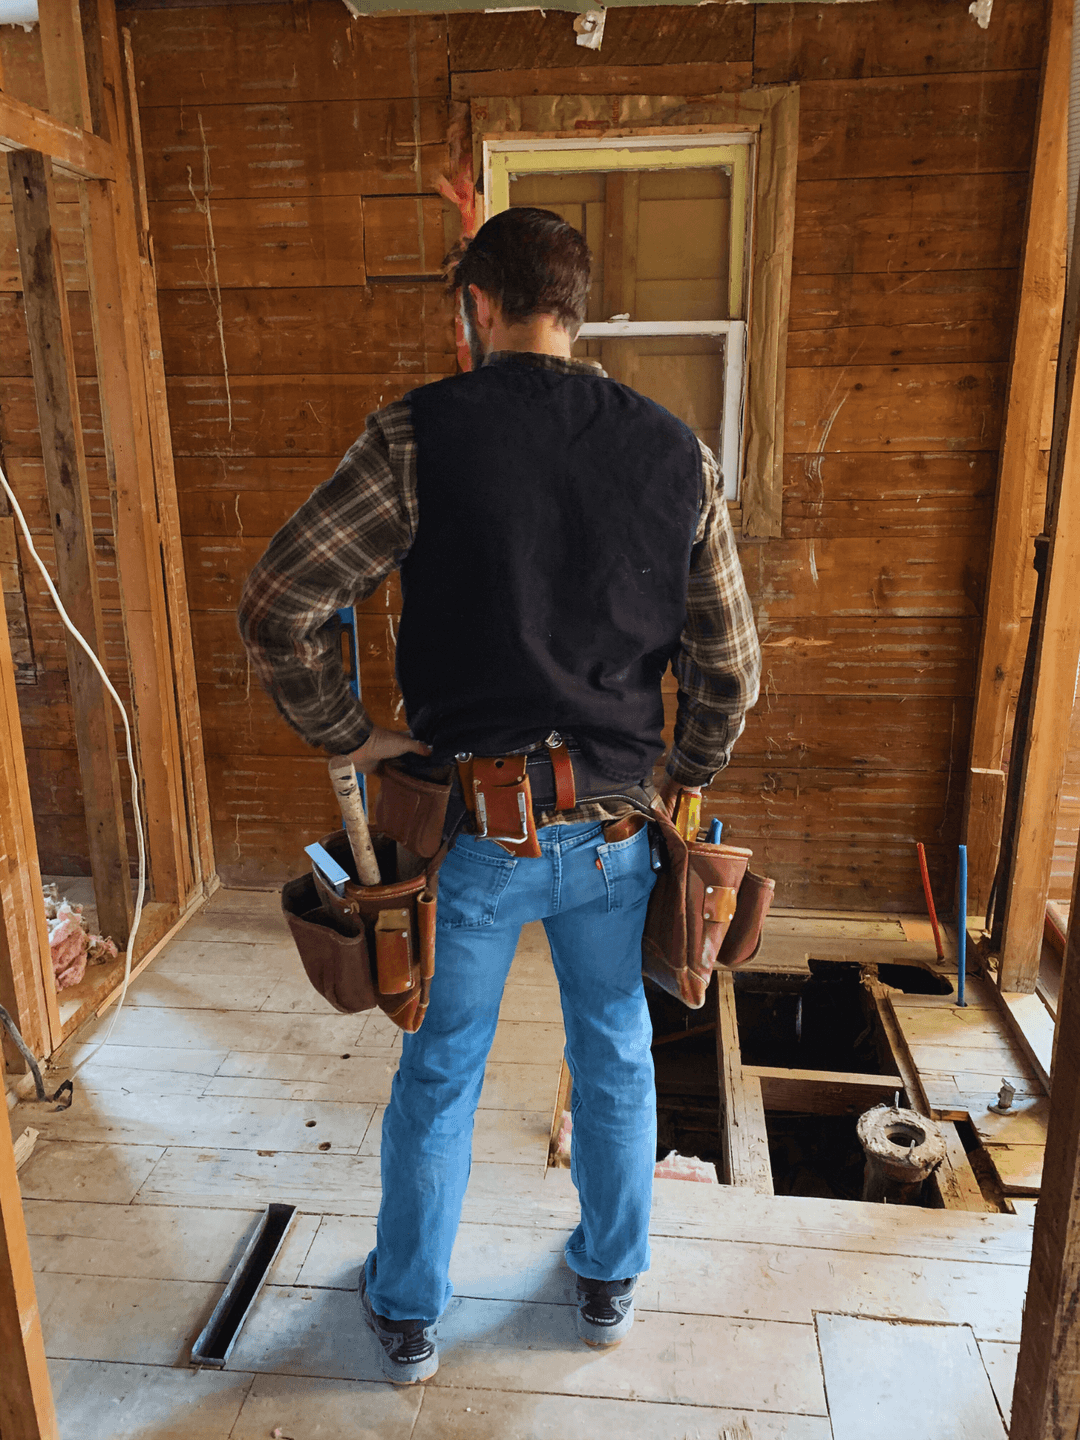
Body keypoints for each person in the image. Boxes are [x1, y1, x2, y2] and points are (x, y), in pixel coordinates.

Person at [237, 206, 760, 1384]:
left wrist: (349, 734)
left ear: (476, 310)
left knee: (441, 1070)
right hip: (622, 833)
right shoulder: (678, 453)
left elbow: (278, 603)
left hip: (470, 836)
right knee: (619, 1052)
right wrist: (683, 776)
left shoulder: (418, 436)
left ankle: (412, 1315)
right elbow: (731, 668)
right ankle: (608, 1288)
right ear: (577, 314)